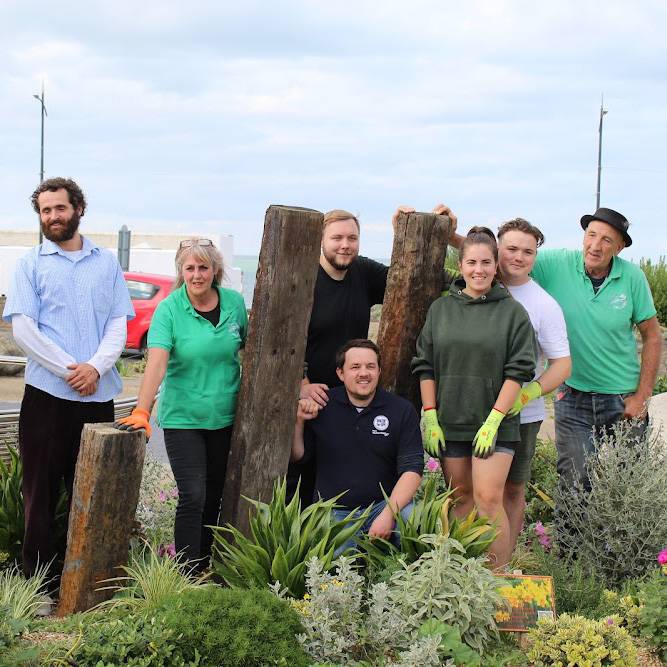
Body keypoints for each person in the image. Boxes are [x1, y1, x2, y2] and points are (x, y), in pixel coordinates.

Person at [2, 178, 134, 596]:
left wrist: (95, 368)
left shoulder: (106, 263)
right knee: (39, 496)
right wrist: (69, 370)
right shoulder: (30, 264)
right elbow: (23, 329)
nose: (53, 217)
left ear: (78, 208)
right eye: (45, 211)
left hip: (97, 398)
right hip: (46, 398)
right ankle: (39, 589)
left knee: (93, 490)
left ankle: (90, 585)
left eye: (59, 208)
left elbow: (117, 323)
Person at [440, 207, 571, 552]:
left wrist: (527, 394)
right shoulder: (483, 282)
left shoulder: (543, 304)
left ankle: (507, 566)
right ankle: (470, 560)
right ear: (498, 250)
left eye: (528, 251)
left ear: (536, 256)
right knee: (469, 492)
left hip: (519, 416)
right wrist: (447, 228)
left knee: (510, 491)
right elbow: (472, 251)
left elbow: (561, 365)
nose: (518, 257)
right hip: (468, 407)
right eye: (511, 249)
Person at [115, 238, 247, 572]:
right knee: (193, 495)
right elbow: (157, 363)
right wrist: (142, 411)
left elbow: (253, 351)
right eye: (190, 268)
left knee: (215, 494)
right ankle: (187, 572)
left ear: (215, 270)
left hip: (225, 417)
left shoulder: (233, 303)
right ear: (181, 271)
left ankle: (206, 567)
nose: (197, 274)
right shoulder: (170, 309)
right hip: (183, 418)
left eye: (204, 267)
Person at [412, 227, 536, 567]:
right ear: (461, 264)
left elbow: (519, 371)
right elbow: (425, 366)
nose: (478, 269)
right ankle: (462, 576)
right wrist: (431, 416)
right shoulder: (441, 309)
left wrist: (494, 420)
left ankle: (499, 581)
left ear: (496, 266)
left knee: (488, 499)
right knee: (460, 498)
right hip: (450, 421)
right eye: (471, 262)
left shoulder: (512, 314)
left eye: (486, 262)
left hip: (494, 424)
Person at [528, 207, 661, 488]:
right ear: (584, 235)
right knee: (574, 485)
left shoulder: (632, 278)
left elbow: (652, 336)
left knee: (630, 487)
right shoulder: (557, 264)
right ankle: (572, 535)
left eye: (606, 240)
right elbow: (502, 257)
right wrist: (450, 232)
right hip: (573, 398)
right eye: (591, 235)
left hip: (623, 400)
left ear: (620, 248)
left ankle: (627, 535)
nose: (595, 246)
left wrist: (642, 396)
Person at [288, 209, 395, 506]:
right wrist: (303, 383)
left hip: (349, 399)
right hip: (309, 397)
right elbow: (284, 338)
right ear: (321, 240)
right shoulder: (304, 277)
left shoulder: (364, 272)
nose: (345, 245)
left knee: (340, 479)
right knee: (298, 477)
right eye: (336, 238)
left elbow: (410, 278)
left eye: (352, 238)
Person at [292, 339, 423, 548]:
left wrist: (388, 514)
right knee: (336, 574)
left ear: (379, 371)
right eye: (355, 367)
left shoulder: (401, 410)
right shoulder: (323, 404)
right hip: (334, 511)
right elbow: (299, 456)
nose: (364, 373)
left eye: (370, 366)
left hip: (382, 507)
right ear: (340, 373)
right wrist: (298, 421)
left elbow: (412, 470)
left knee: (415, 517)